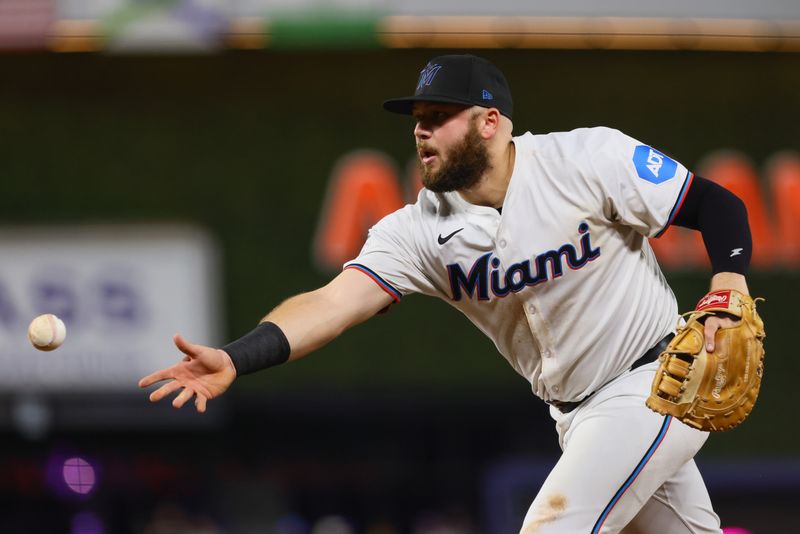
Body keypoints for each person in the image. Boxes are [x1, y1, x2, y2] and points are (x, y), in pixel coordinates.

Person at [140, 54, 753, 533]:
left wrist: (728, 283)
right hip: (574, 415)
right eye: (418, 120)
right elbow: (333, 303)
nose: (422, 131)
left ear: (491, 121)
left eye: (439, 116)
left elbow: (715, 204)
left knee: (553, 527)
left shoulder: (586, 159)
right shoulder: (417, 231)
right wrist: (238, 356)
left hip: (658, 384)